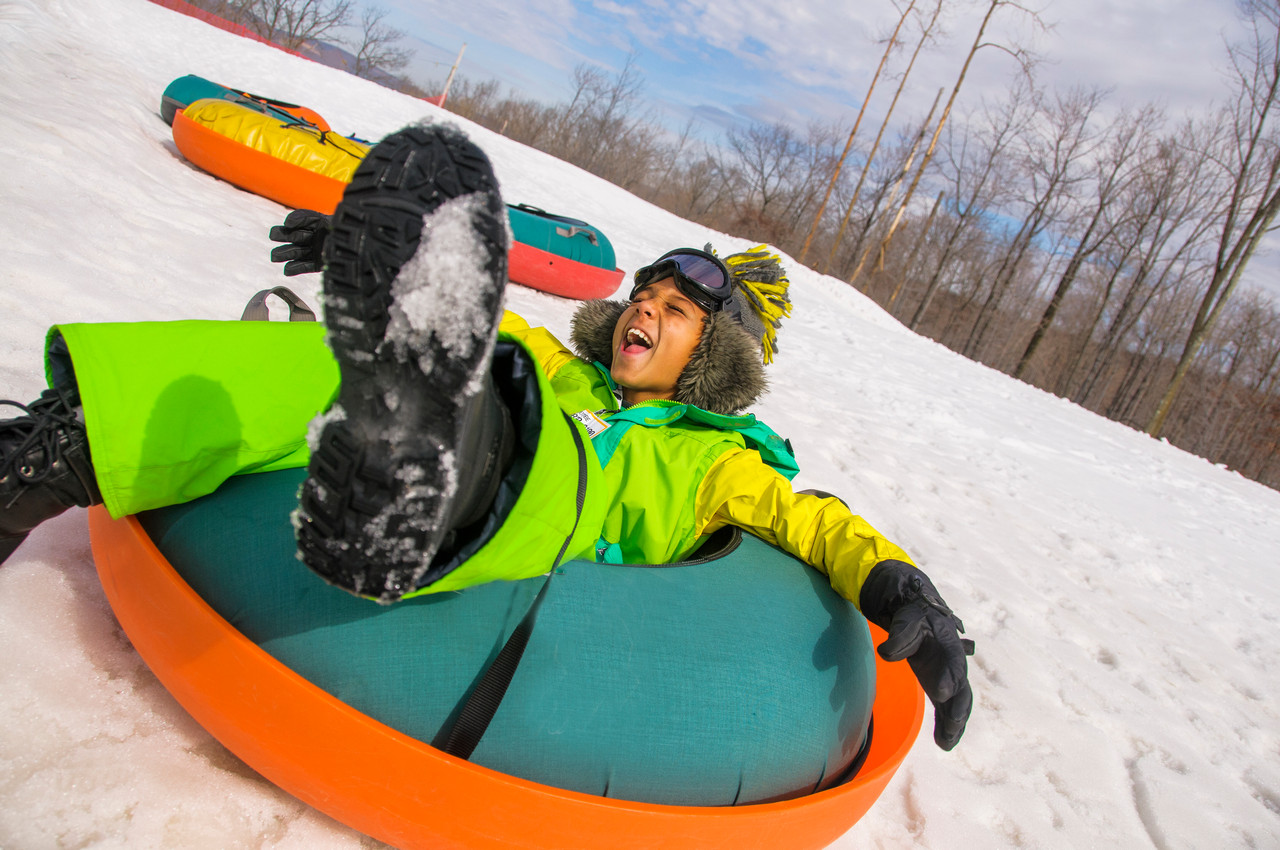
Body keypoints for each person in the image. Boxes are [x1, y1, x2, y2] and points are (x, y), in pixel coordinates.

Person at [0, 122, 974, 750]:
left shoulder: (714, 460)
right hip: (482, 425)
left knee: (539, 453)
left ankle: (423, 478)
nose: (643, 307)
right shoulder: (559, 363)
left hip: (542, 528)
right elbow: (474, 323)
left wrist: (898, 585)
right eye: (643, 293)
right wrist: (379, 268)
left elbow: (814, 524)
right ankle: (60, 447)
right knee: (389, 356)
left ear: (714, 360)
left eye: (675, 311)